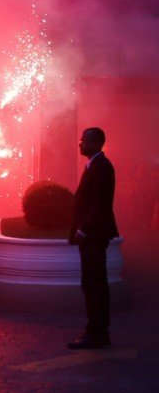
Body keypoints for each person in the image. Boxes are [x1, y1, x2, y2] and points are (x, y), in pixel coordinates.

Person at [68, 127, 118, 350]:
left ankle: (96, 333)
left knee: (94, 283)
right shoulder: (94, 166)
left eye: (84, 141)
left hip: (94, 236)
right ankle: (96, 330)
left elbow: (100, 204)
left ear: (96, 143)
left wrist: (84, 229)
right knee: (92, 283)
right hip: (92, 235)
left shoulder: (102, 167)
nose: (80, 144)